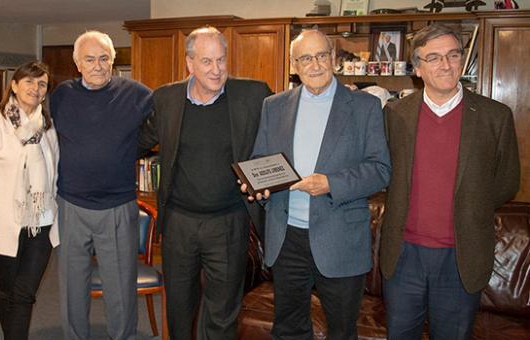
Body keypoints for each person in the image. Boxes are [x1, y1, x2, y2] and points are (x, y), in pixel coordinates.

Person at [0, 30, 152, 340]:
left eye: (104, 58)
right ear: (76, 63)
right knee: (72, 286)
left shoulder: (137, 94)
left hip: (117, 206)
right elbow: (25, 116)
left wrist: (131, 147)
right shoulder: (61, 97)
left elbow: (165, 123)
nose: (98, 65)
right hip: (70, 206)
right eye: (90, 59)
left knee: (120, 287)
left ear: (113, 60)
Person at [244, 29, 391, 339]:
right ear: (294, 64)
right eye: (305, 58)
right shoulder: (273, 105)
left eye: (321, 55)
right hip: (287, 239)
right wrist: (258, 184)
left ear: (334, 59)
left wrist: (331, 183)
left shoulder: (364, 107)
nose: (315, 64)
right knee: (289, 329)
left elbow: (380, 169)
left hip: (340, 238)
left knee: (341, 331)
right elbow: (261, 159)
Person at [380, 24, 520, 340]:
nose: (445, 65)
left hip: (461, 258)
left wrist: (471, 206)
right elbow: (386, 173)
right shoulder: (395, 115)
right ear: (417, 68)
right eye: (433, 57)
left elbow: (508, 181)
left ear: (461, 60)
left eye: (453, 55)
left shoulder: (494, 116)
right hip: (403, 257)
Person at [138, 26, 273, 340]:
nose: (217, 70)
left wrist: (271, 178)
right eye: (207, 62)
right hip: (180, 225)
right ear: (190, 64)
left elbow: (278, 139)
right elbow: (137, 142)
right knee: (179, 308)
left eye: (221, 60)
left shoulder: (253, 95)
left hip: (228, 223)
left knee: (223, 312)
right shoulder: (167, 98)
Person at [0, 61, 59, 340]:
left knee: (24, 291)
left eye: (42, 84)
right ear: (14, 86)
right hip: (3, 223)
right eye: (29, 81)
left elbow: (54, 173)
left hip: (41, 222)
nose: (35, 88)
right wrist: (1, 198)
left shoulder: (48, 128)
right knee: (7, 288)